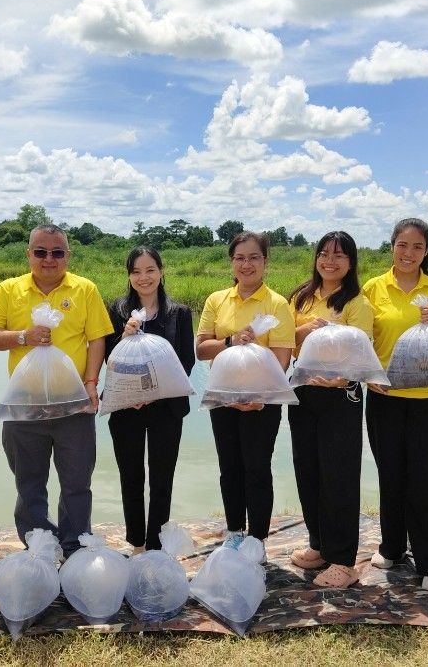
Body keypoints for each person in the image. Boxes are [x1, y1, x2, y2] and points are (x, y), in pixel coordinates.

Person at [0, 224, 112, 556]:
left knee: (77, 483)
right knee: (29, 484)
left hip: (74, 404)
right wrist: (23, 336)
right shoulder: (9, 289)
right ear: (29, 255)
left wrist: (92, 382)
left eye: (57, 252)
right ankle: (38, 546)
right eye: (40, 252)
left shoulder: (85, 289)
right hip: (24, 404)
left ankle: (75, 547)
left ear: (68, 255)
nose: (48, 259)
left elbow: (97, 338)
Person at [362, 218, 428, 594]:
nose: (409, 253)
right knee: (392, 475)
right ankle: (391, 546)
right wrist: (368, 374)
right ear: (392, 247)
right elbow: (363, 339)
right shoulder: (374, 287)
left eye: (417, 247)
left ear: (426, 251)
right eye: (402, 245)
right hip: (385, 398)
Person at [196, 231, 295, 554]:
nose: (247, 264)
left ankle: (258, 538)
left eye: (254, 257)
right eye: (240, 257)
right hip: (223, 397)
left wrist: (261, 397)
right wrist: (230, 340)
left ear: (265, 262)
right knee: (230, 467)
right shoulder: (217, 300)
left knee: (257, 467)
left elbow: (281, 359)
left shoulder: (277, 304)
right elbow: (201, 350)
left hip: (261, 401)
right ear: (231, 262)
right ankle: (235, 530)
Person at [286, 231, 373, 588]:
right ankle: (319, 545)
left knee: (339, 475)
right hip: (304, 391)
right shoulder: (300, 297)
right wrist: (305, 329)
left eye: (339, 256)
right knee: (308, 470)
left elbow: (362, 351)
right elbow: (286, 345)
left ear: (351, 262)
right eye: (324, 254)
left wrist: (341, 378)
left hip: (342, 395)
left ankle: (343, 560)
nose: (330, 262)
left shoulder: (357, 302)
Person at [103, 246, 195, 553]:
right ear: (129, 276)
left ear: (161, 271)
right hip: (126, 407)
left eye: (150, 270)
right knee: (130, 476)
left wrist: (152, 393)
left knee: (161, 477)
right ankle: (136, 543)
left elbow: (185, 362)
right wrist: (124, 337)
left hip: (166, 408)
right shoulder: (117, 311)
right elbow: (109, 359)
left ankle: (157, 544)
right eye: (136, 272)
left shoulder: (178, 314)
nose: (144, 278)